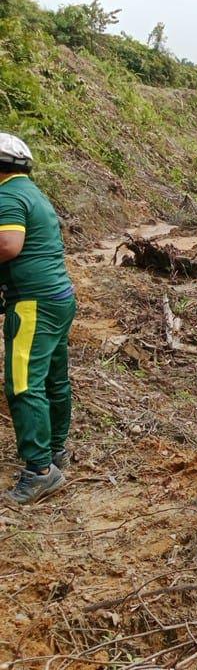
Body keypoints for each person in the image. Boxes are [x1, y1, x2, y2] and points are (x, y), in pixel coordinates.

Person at [0, 133, 76, 505]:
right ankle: (57, 451)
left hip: (33, 304)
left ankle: (40, 471)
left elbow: (8, 245)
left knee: (23, 384)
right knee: (53, 378)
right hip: (59, 297)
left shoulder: (8, 195)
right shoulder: (34, 193)